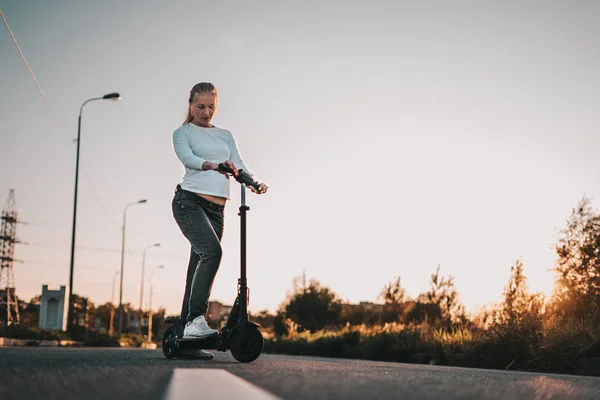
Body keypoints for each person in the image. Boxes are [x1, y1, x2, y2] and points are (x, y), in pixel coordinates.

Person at [171, 82, 268, 359]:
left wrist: (253, 182)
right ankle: (195, 322)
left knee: (198, 265)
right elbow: (188, 159)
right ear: (190, 104)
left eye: (211, 107)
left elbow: (237, 162)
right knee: (212, 253)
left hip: (217, 210)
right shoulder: (182, 133)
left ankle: (188, 334)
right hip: (188, 202)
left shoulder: (225, 135)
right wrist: (216, 166)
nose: (205, 112)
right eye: (200, 106)